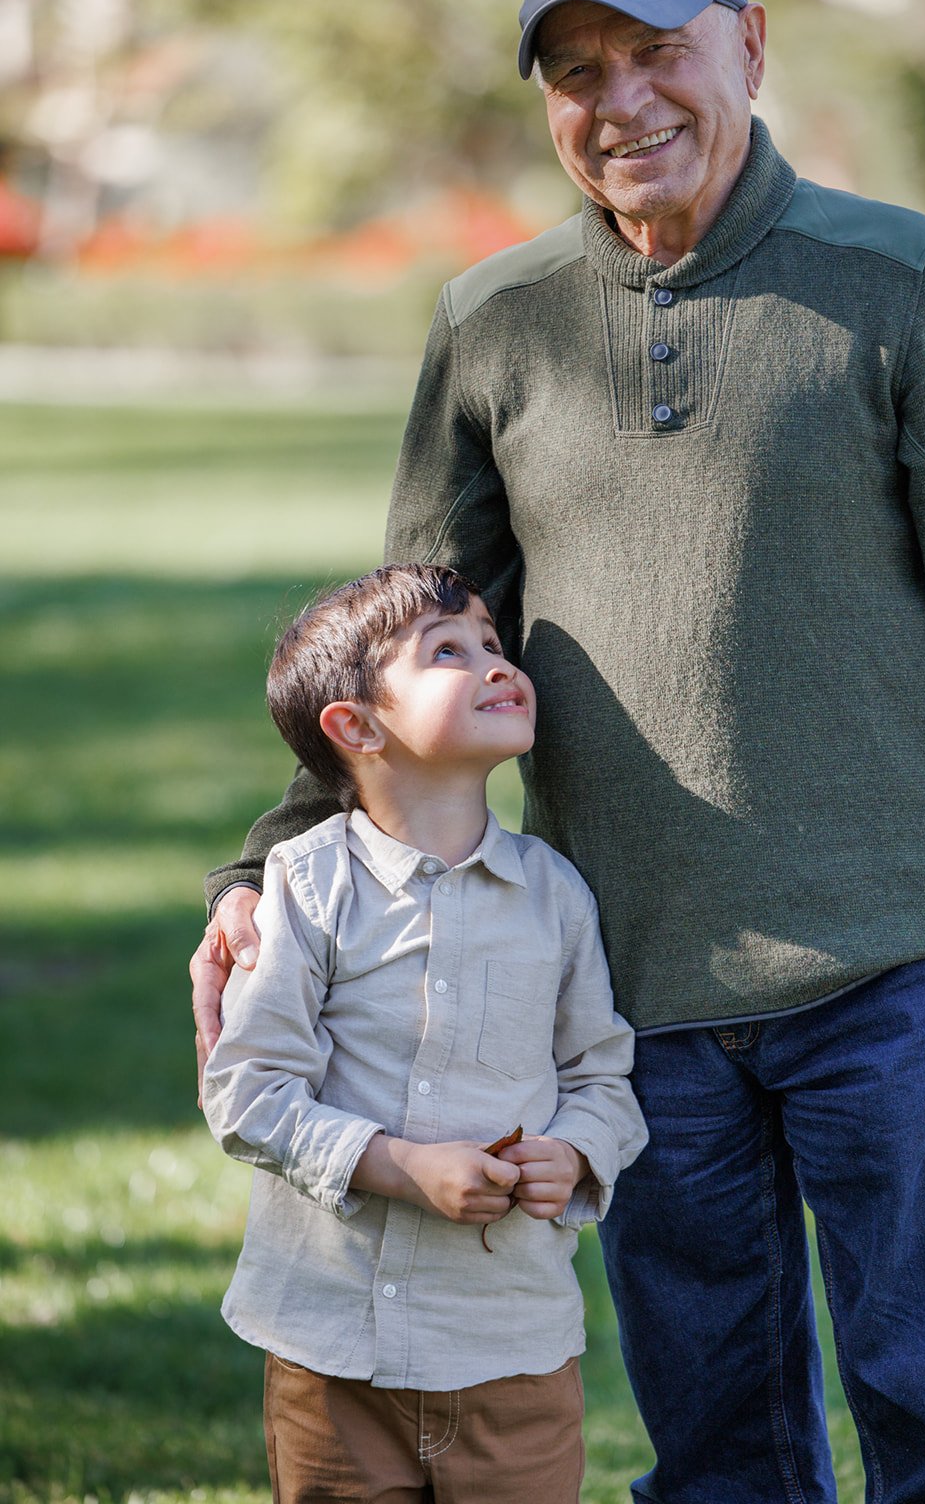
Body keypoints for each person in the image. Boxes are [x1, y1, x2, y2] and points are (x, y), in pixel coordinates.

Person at [192, 0, 925, 1500]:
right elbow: (404, 646)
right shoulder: (493, 320)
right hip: (625, 994)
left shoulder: (896, 275)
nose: (621, 103)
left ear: (745, 45)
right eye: (577, 71)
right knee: (716, 1452)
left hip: (890, 971)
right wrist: (264, 870)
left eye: (657, 52)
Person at [201, 563, 647, 1504]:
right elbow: (247, 1094)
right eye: (450, 652)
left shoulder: (555, 896)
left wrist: (574, 1153)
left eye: (493, 643)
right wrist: (400, 1167)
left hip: (509, 1352)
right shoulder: (306, 886)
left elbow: (603, 1076)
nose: (496, 663)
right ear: (355, 727)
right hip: (331, 1355)